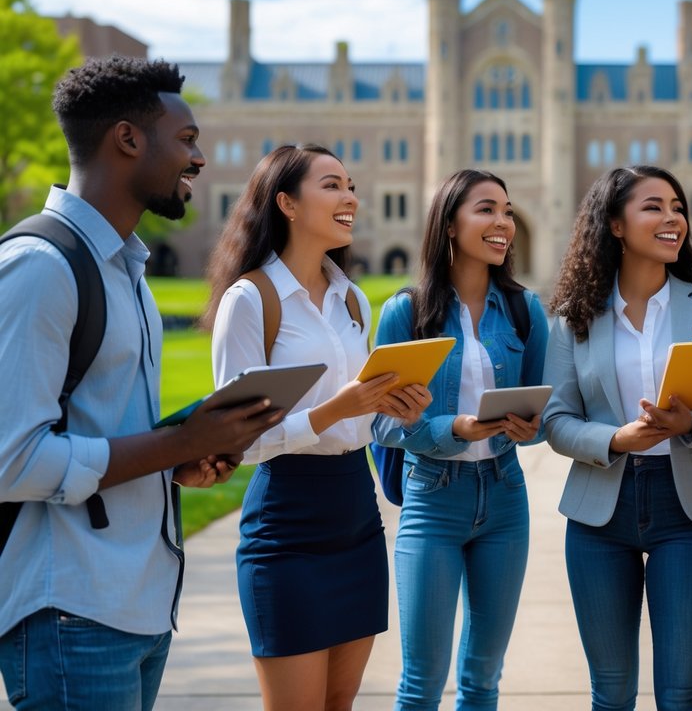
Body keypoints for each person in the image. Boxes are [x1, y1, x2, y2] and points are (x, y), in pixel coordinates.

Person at [0, 56, 282, 710]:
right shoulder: (41, 267)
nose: (201, 159)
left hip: (139, 605)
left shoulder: (127, 272)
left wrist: (182, 461)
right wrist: (176, 445)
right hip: (69, 609)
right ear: (128, 139)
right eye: (186, 140)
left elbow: (99, 432)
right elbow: (12, 461)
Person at [205, 143, 429, 711]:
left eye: (350, 184)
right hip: (287, 521)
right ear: (286, 202)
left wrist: (391, 406)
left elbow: (357, 417)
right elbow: (238, 440)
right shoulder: (250, 299)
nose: (350, 196)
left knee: (339, 704)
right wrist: (340, 409)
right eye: (331, 185)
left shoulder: (352, 299)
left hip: (357, 511)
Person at [543, 164, 692, 711]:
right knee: (610, 694)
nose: (672, 219)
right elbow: (557, 421)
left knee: (682, 695)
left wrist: (691, 426)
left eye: (678, 207)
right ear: (615, 224)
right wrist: (616, 439)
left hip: (685, 511)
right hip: (598, 516)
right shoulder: (576, 317)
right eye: (654, 207)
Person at [372, 168, 549, 711]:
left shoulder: (525, 310)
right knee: (421, 683)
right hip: (432, 499)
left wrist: (529, 425)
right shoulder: (407, 312)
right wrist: (453, 429)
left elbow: (545, 409)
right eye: (486, 209)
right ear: (449, 223)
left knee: (482, 680)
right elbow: (379, 423)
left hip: (504, 497)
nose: (503, 222)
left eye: (507, 210)